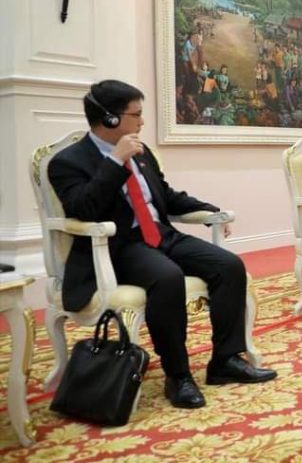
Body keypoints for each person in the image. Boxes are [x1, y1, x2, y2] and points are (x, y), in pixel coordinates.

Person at [48, 80, 276, 410]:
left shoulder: (142, 152)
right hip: (119, 245)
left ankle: (225, 361)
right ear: (111, 118)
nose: (142, 122)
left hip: (160, 233)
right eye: (136, 115)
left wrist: (211, 211)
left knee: (228, 265)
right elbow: (84, 209)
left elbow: (166, 196)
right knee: (167, 277)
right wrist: (114, 162)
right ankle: (178, 376)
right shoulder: (67, 162)